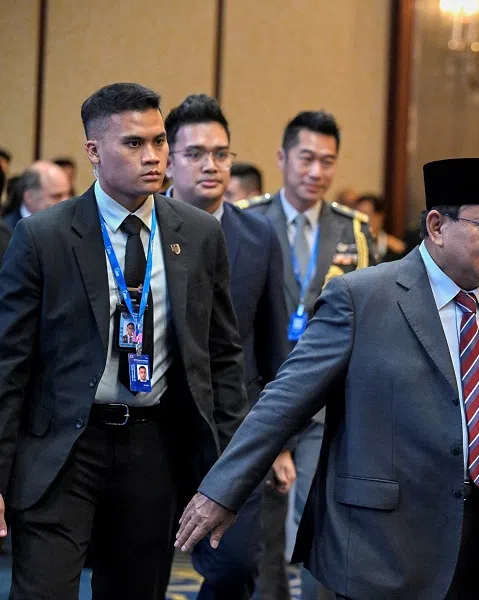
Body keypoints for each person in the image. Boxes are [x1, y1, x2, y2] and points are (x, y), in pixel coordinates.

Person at [175, 157, 479, 600]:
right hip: (380, 549)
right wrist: (222, 492)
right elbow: (284, 402)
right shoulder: (362, 298)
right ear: (436, 225)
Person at [0, 82, 248, 600]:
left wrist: (228, 473)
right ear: (93, 152)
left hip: (153, 448)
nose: (153, 156)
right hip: (62, 448)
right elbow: (9, 366)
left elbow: (222, 359)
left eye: (159, 141)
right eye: (134, 144)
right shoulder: (44, 237)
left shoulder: (199, 235)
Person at [235, 109, 376, 599]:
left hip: (325, 403)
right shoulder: (247, 220)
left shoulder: (353, 231)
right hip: (262, 398)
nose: (317, 172)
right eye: (307, 158)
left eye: (328, 161)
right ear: (282, 158)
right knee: (261, 529)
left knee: (321, 522)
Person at [164, 93, 294, 600]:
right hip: (156, 423)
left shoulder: (258, 237)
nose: (211, 165)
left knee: (237, 566)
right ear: (168, 159)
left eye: (221, 153)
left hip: (234, 431)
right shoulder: (142, 230)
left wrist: (279, 441)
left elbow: (273, 348)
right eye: (195, 153)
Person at [3, 160, 70, 232]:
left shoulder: (70, 230)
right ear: (29, 197)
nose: (66, 201)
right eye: (57, 196)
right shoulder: (6, 233)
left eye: (68, 194)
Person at [354, 193, 406, 262]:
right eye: (356, 215)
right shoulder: (349, 245)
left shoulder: (395, 248)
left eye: (364, 214)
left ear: (379, 217)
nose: (359, 220)